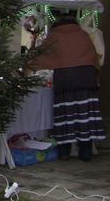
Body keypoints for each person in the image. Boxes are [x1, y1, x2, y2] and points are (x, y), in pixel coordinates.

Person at [30, 16, 106, 161]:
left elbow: (39, 57)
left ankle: (64, 152)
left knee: (65, 116)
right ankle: (86, 153)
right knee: (85, 117)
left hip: (65, 80)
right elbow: (94, 57)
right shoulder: (83, 35)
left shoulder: (54, 36)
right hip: (86, 79)